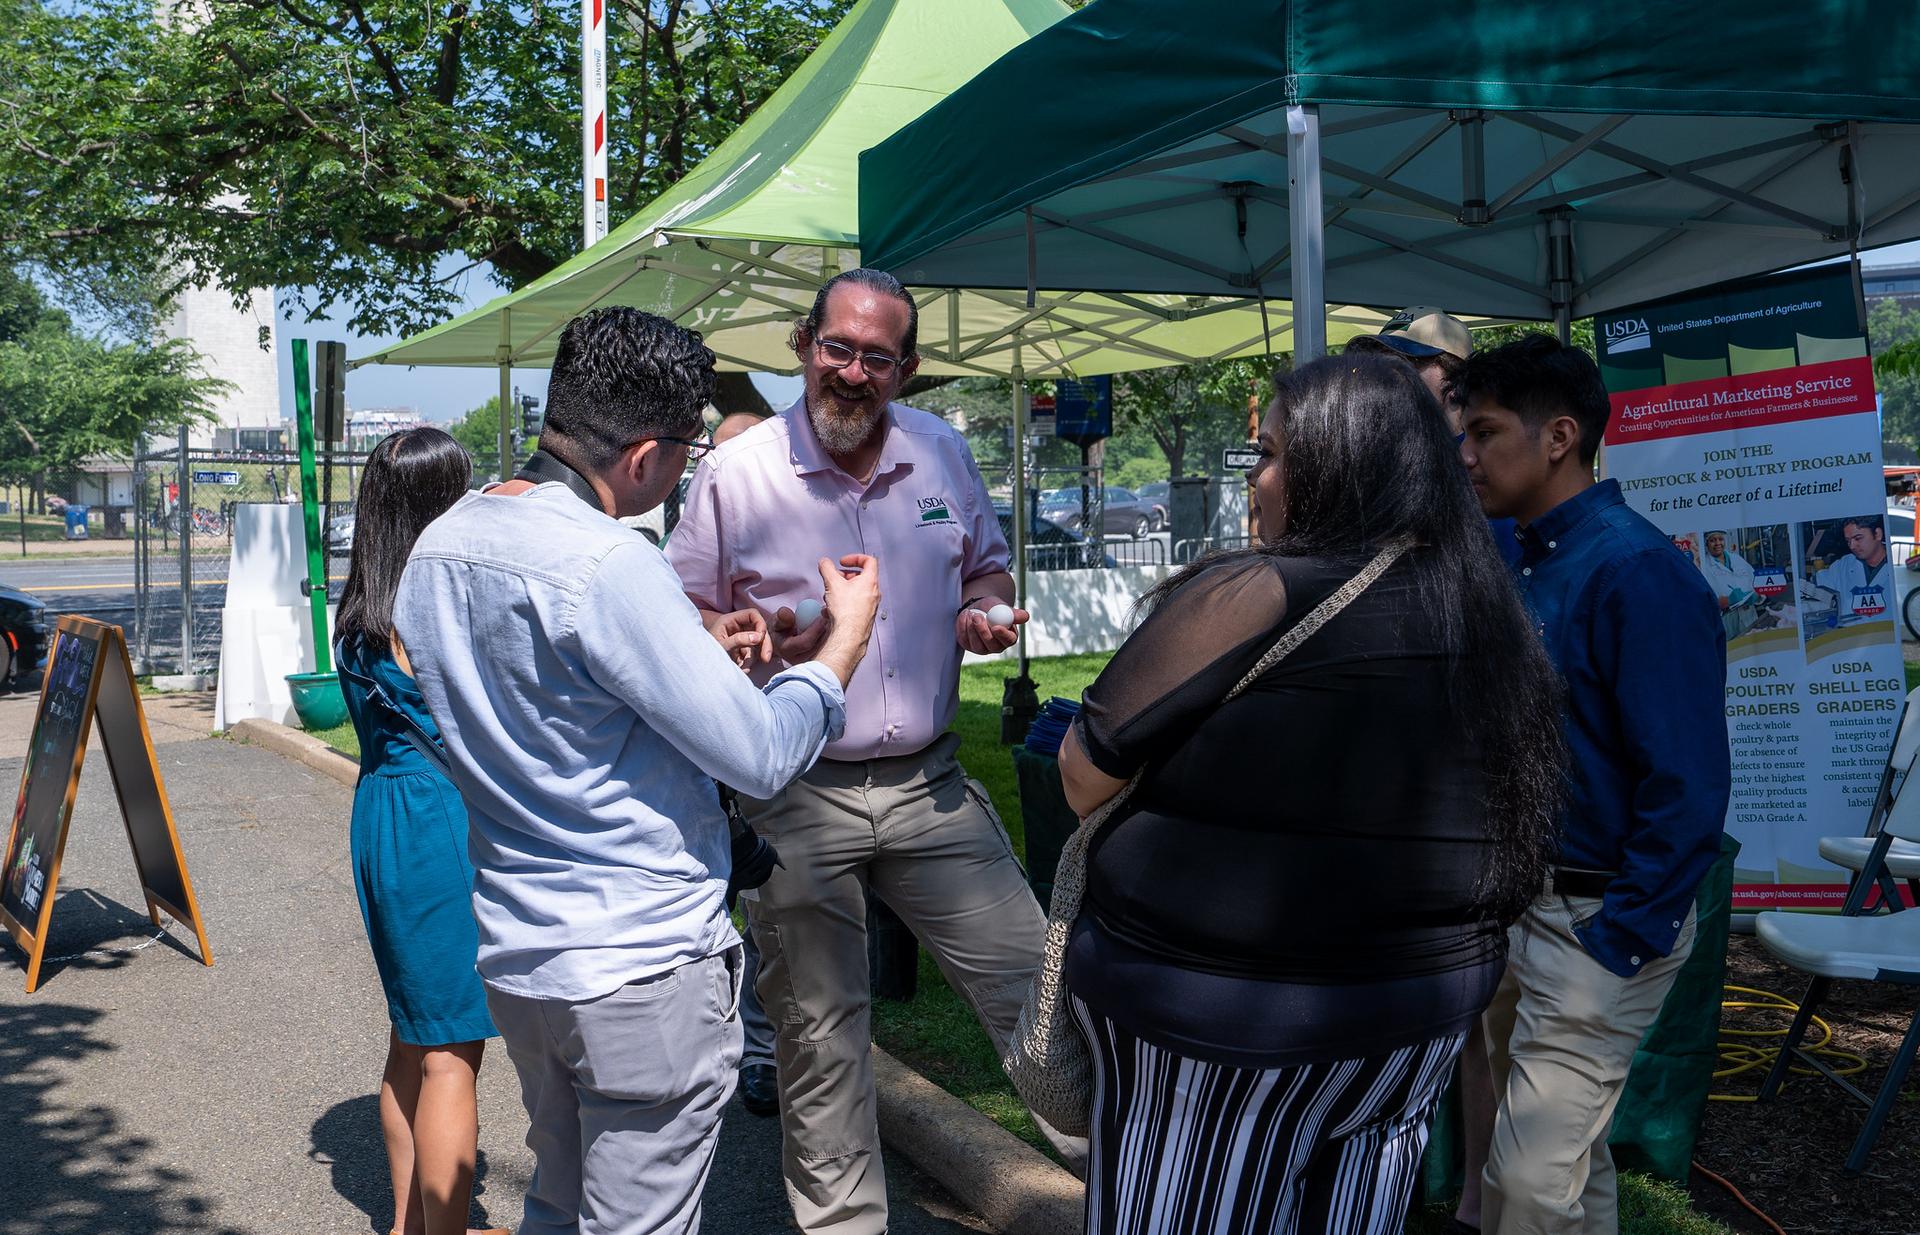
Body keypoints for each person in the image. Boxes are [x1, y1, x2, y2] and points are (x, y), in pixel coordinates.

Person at [1051, 354, 1565, 1235]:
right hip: (1414, 1027)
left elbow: (1080, 772)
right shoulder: (1488, 612)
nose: (1255, 479)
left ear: (1335, 466)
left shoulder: (1255, 591)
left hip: (1220, 1036)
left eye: (1271, 452)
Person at [394, 307, 881, 1235]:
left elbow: (553, 704)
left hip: (523, 953)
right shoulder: (610, 559)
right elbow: (763, 757)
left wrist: (697, 655)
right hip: (639, 966)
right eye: (687, 453)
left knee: (558, 1200)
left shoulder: (444, 543)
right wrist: (842, 648)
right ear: (648, 455)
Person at [667, 267, 1073, 1235]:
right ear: (805, 346)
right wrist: (729, 631)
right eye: (837, 348)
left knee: (1042, 998)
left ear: (908, 368)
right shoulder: (738, 473)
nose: (852, 372)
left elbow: (987, 570)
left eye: (877, 358)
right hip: (795, 790)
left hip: (932, 787)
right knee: (820, 1042)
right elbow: (677, 614)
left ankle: (1140, 1187)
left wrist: (983, 612)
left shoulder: (941, 452)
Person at [1455, 334, 1730, 1235]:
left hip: (1598, 921)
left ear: (1559, 436)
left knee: (1528, 1181)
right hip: (1522, 906)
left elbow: (1688, 785)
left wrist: (1620, 936)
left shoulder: (1637, 573)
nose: (1466, 454)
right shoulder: (1523, 559)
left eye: (1484, 432)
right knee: (1566, 1166)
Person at [334, 427, 503, 1235]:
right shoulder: (436, 607)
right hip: (437, 821)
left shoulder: (360, 610)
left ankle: (410, 1224)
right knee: (451, 1054)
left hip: (382, 815)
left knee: (414, 1036)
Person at [1813, 515, 1892, 627]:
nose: (1852, 546)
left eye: (1858, 538)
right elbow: (1819, 594)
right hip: (1850, 635)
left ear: (1877, 534)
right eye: (1848, 541)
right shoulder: (1842, 566)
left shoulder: (1897, 566)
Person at [1702, 529, 1760, 640]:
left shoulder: (1737, 559)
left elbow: (1756, 581)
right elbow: (1704, 602)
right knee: (1733, 648)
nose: (1718, 543)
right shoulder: (1704, 566)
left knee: (1753, 645)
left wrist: (1757, 595)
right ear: (1706, 544)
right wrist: (1728, 601)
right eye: (1712, 540)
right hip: (1727, 619)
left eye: (1720, 539)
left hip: (1749, 614)